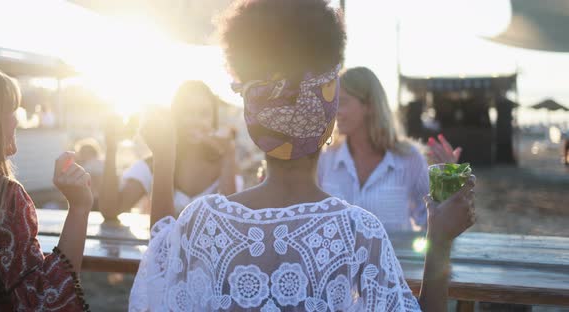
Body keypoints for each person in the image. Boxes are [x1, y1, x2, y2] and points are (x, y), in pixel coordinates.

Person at [129, 1, 476, 311]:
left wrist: (164, 156)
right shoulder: (357, 232)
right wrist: (440, 241)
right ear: (327, 120)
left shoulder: (202, 222)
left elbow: (158, 271)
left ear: (253, 120)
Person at [0, 64, 93, 310]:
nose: (17, 119)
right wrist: (79, 208)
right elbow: (43, 300)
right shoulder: (1, 198)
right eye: (11, 110)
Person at [318, 67, 460, 231]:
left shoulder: (409, 158)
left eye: (341, 102)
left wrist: (448, 182)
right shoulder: (325, 158)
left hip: (394, 257)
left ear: (369, 105)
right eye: (333, 103)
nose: (334, 111)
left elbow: (431, 223)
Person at [99, 81, 242, 220]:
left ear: (213, 120)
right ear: (174, 116)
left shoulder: (225, 165)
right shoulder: (152, 164)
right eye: (187, 112)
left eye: (204, 114)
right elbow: (110, 211)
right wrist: (111, 148)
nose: (195, 120)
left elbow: (230, 219)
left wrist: (228, 155)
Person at [74, 138, 104, 209]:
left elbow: (96, 182)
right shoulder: (97, 163)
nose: (81, 154)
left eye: (83, 152)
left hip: (95, 199)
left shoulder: (94, 164)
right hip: (95, 198)